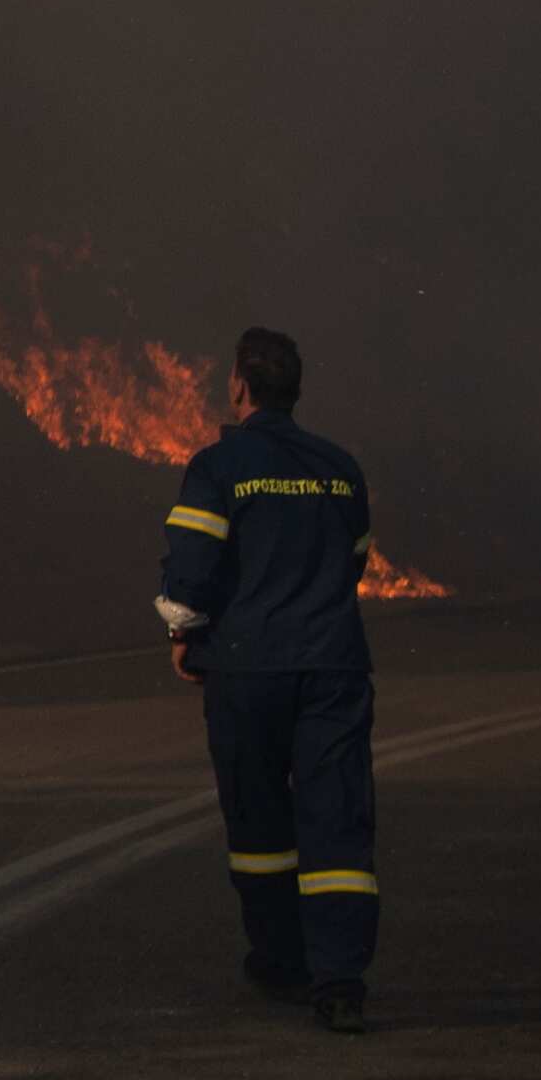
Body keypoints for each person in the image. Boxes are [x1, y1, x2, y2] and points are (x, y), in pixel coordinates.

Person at [156, 324, 385, 1033]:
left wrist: (183, 633)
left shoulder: (221, 465)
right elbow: (355, 557)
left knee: (259, 825)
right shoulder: (340, 467)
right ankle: (340, 978)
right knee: (336, 817)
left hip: (247, 667)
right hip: (331, 665)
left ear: (239, 385)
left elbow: (191, 567)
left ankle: (281, 959)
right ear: (297, 390)